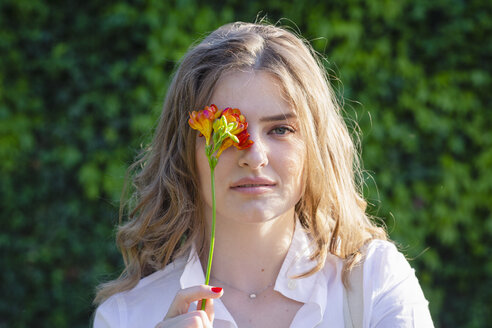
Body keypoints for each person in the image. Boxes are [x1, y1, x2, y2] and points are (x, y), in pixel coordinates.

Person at [93, 21, 434, 327]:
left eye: (281, 129)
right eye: (225, 133)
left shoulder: (374, 282)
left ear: (315, 146)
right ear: (183, 151)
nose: (253, 157)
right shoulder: (125, 316)